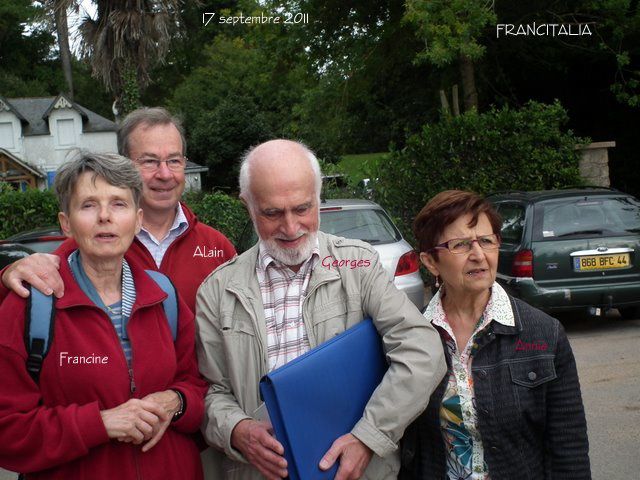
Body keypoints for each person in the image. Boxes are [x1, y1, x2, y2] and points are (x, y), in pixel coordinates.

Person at [195, 139, 446, 480]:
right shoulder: (217, 290)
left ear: (317, 195)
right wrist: (236, 430)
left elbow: (423, 351)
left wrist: (369, 436)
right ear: (247, 205)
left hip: (355, 471)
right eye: (272, 213)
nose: (290, 227)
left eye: (302, 208)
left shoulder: (358, 264)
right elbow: (213, 392)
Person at [0, 153, 207, 479]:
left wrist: (177, 401)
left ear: (138, 220)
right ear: (66, 223)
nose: (105, 217)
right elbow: (7, 429)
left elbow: (199, 386)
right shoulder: (30, 305)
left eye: (119, 204)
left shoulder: (164, 296)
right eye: (88, 205)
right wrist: (99, 423)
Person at [400, 190, 590, 480]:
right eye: (461, 245)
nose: (478, 255)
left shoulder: (544, 333)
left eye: (486, 241)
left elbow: (569, 448)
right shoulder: (413, 336)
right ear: (431, 262)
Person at [0, 107, 236, 311]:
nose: (165, 174)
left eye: (174, 160)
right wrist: (10, 274)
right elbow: (21, 296)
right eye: (150, 161)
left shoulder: (217, 247)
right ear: (124, 164)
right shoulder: (93, 244)